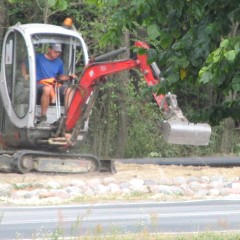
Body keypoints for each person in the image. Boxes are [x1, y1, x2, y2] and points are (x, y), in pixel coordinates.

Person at [34, 43, 76, 123]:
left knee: (69, 90)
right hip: (39, 83)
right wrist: (25, 74)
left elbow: (60, 77)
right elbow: (24, 64)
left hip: (53, 84)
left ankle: (67, 117)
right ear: (49, 49)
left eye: (58, 52)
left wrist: (69, 77)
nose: (57, 54)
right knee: (47, 89)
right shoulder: (38, 58)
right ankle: (43, 116)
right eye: (55, 51)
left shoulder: (59, 62)